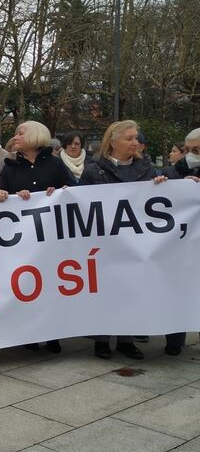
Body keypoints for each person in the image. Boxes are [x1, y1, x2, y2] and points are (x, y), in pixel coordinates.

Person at [80, 120, 168, 359]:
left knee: (132, 290)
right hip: (104, 243)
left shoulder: (148, 169)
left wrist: (161, 186)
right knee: (104, 291)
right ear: (113, 141)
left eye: (136, 138)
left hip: (135, 243)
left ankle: (126, 339)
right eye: (129, 138)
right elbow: (78, 205)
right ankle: (101, 339)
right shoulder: (93, 170)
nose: (135, 142)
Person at [0, 120, 74, 353]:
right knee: (27, 285)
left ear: (34, 136)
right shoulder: (10, 166)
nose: (16, 137)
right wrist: (8, 195)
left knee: (51, 285)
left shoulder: (55, 164)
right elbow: (2, 195)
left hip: (50, 238)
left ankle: (53, 334)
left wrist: (60, 192)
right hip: (23, 239)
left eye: (20, 133)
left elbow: (73, 190)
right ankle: (29, 333)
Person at [162, 128, 200, 355]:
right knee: (177, 292)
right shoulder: (172, 172)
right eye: (189, 150)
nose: (191, 154)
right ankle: (174, 340)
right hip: (179, 244)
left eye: (197, 150)